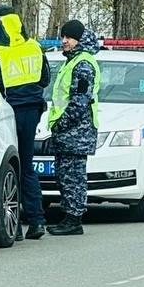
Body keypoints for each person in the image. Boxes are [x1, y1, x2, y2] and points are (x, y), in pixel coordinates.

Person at [0, 5, 51, 240]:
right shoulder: (35, 48)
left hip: (6, 113)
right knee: (27, 166)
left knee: (6, 167)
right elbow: (45, 78)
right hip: (32, 112)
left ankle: (10, 224)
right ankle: (37, 220)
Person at [46, 20, 100, 236]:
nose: (64, 41)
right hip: (69, 132)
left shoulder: (83, 64)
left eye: (68, 38)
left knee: (73, 177)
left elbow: (80, 101)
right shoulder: (73, 60)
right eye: (63, 37)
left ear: (79, 39)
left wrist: (61, 124)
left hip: (76, 131)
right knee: (65, 175)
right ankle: (69, 216)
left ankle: (74, 219)